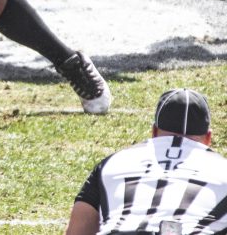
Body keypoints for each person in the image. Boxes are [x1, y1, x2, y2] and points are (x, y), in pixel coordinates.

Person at [66, 88, 227, 235]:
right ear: (208, 138)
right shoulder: (222, 168)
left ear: (154, 131)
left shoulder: (113, 163)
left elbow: (78, 229)